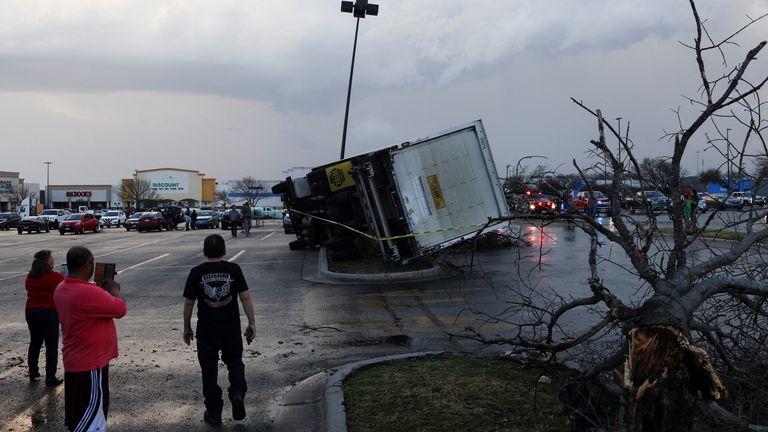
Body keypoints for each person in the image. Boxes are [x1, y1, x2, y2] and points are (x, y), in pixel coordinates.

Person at [183, 234, 256, 425]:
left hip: (207, 330)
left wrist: (186, 327)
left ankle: (214, 412)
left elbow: (189, 303)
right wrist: (251, 323)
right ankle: (237, 394)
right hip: (230, 328)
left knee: (209, 371)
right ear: (224, 250)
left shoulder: (196, 272)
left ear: (204, 251)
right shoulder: (233, 269)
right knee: (235, 363)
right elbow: (245, 297)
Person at [54, 246, 126, 432]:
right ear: (87, 266)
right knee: (92, 420)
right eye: (92, 262)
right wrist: (114, 289)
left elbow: (88, 295)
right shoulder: (87, 293)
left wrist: (100, 287)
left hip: (76, 360)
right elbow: (119, 309)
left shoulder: (63, 288)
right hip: (90, 364)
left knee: (79, 415)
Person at [25, 250, 65, 386]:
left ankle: (32, 371)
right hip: (49, 312)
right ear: (48, 262)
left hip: (31, 311)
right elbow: (65, 287)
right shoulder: (55, 277)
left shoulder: (30, 277)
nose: (53, 261)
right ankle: (50, 376)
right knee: (51, 345)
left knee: (35, 341)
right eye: (52, 259)